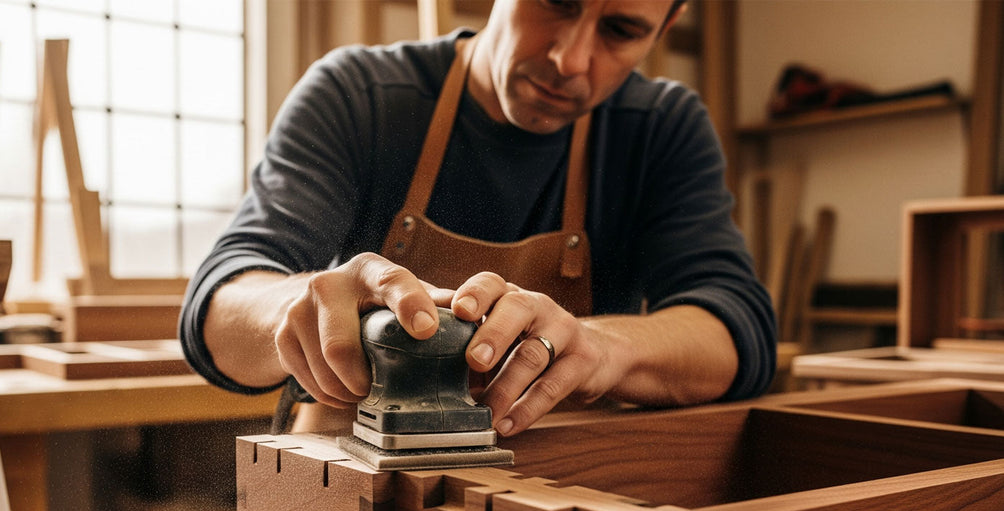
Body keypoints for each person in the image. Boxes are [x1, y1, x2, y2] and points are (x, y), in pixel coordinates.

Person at [179, 0, 777, 437]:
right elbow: (217, 311)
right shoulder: (358, 95)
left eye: (619, 31)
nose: (570, 60)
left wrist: (596, 345)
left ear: (666, 26)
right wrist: (300, 309)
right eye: (556, 3)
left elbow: (736, 331)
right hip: (353, 478)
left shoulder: (662, 129)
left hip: (558, 489)